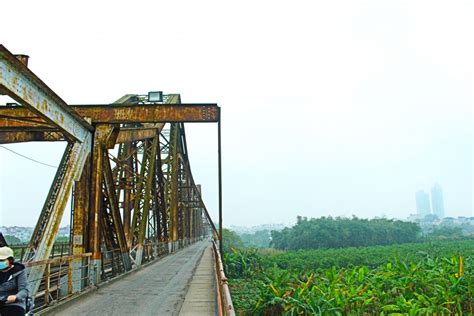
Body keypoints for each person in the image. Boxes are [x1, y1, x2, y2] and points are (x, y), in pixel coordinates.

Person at [0, 247, 29, 316]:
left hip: (13, 302)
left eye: (2, 260)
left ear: (10, 260)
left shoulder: (18, 271)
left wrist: (16, 297)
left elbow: (24, 290)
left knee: (14, 312)